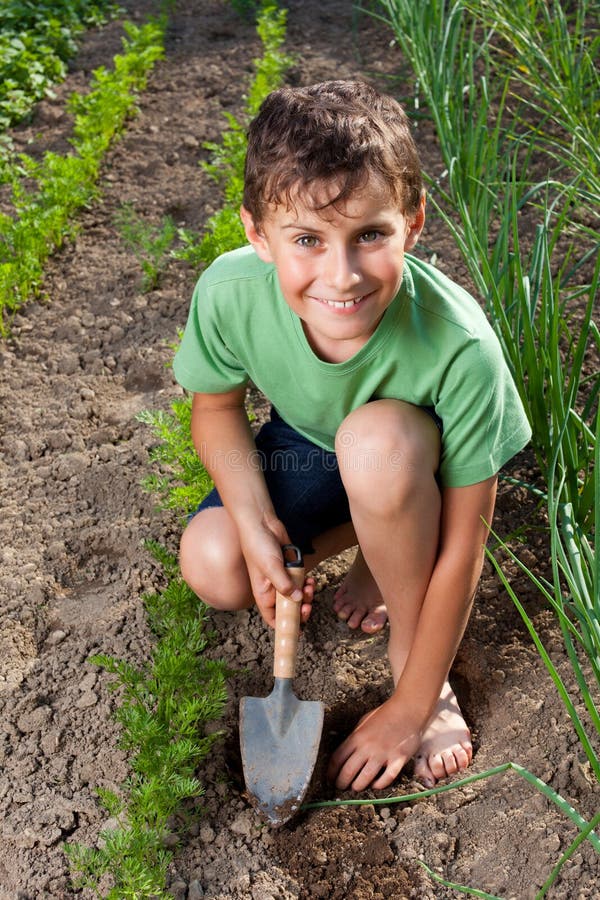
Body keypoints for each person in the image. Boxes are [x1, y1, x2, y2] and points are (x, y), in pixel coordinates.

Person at [173, 80, 531, 792]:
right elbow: (215, 410)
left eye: (370, 234)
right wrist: (251, 522)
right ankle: (373, 537)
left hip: (404, 457)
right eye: (307, 240)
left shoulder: (459, 346)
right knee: (214, 564)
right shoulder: (228, 292)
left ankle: (408, 639)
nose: (342, 276)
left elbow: (465, 547)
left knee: (376, 446)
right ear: (256, 234)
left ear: (414, 223)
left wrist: (411, 703)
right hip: (304, 444)